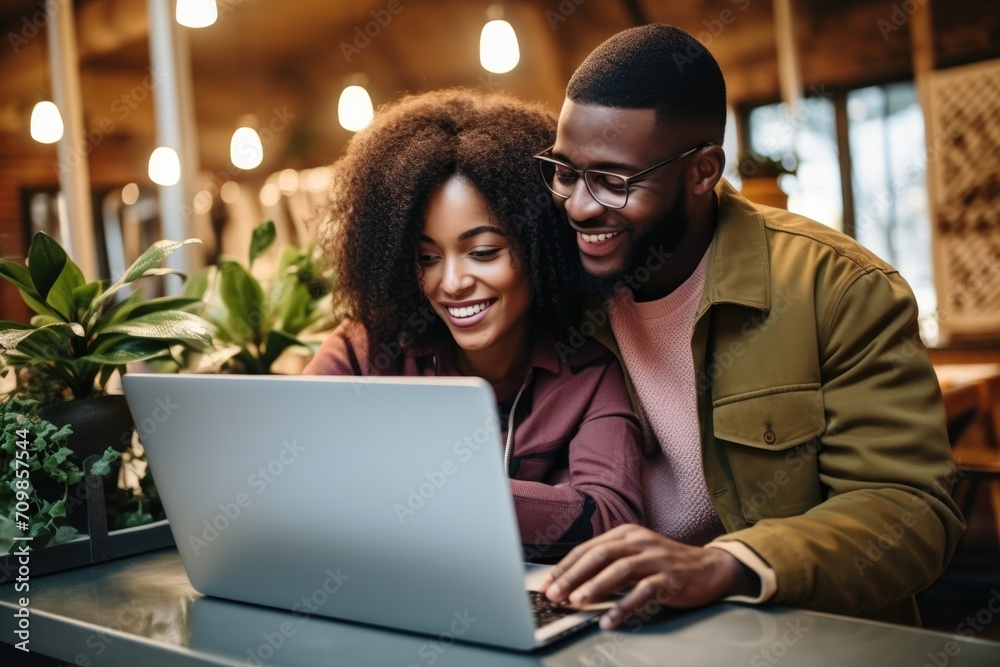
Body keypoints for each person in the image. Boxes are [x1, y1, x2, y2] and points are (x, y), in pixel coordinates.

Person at [536, 24, 964, 628]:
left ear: (703, 171)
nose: (579, 206)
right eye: (566, 171)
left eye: (614, 181)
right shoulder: (563, 285)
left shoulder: (838, 290)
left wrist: (729, 565)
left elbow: (909, 513)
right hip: (617, 628)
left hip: (799, 637)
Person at [302, 89, 644, 558]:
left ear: (540, 247)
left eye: (483, 252)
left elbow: (610, 518)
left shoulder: (588, 369)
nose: (453, 282)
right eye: (427, 257)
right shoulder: (366, 350)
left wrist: (426, 487)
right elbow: (293, 464)